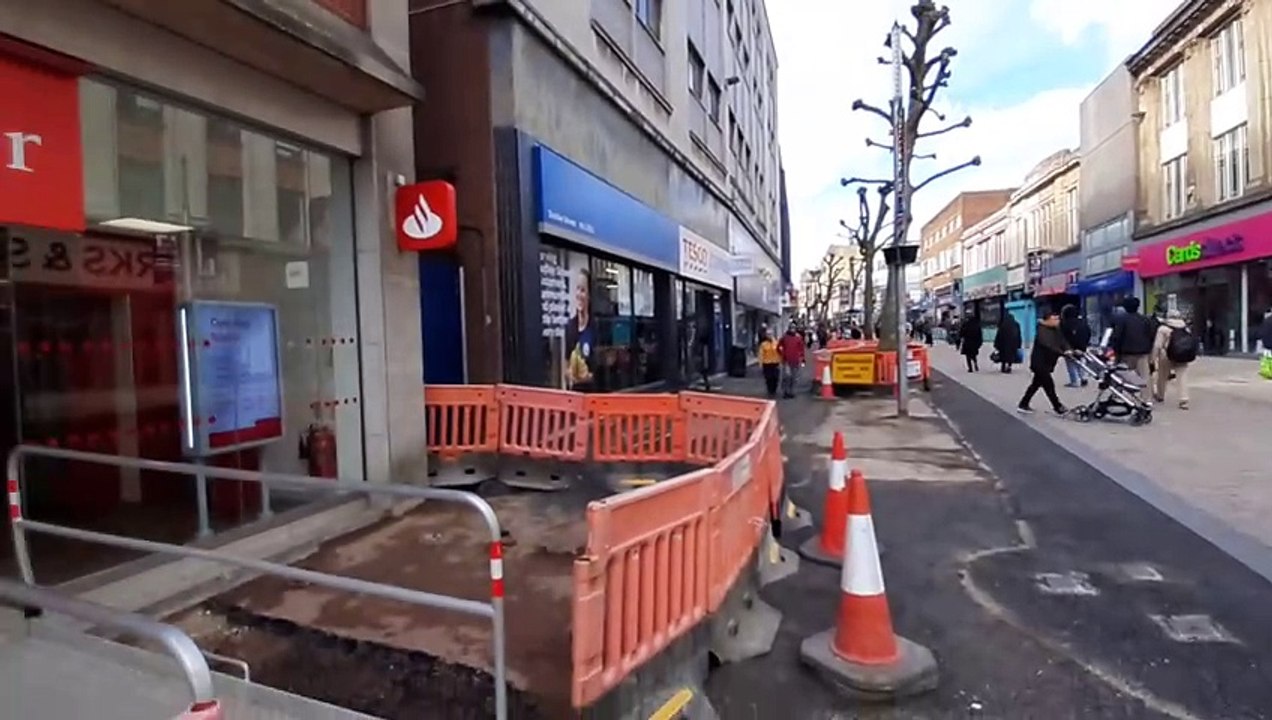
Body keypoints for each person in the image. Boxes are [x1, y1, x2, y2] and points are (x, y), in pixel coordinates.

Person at [1018, 308, 1072, 415]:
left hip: (1047, 363)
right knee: (1049, 385)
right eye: (1054, 319)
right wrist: (1062, 352)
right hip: (1039, 363)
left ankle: (1023, 404)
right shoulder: (1042, 330)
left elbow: (1062, 341)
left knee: (1035, 385)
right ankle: (1057, 406)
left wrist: (1068, 349)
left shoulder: (1056, 329)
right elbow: (1048, 345)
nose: (1057, 321)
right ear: (1047, 320)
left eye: (1058, 318)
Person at [1152, 308, 1197, 409]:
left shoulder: (1163, 328)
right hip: (1182, 355)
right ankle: (1184, 399)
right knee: (1182, 377)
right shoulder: (1186, 328)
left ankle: (1160, 395)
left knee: (1162, 376)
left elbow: (1157, 345)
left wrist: (1153, 358)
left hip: (1166, 355)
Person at [1108, 297, 1155, 385]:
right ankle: (1147, 397)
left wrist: (1115, 350)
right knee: (1144, 377)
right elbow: (1151, 335)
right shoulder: (1145, 319)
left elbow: (1116, 337)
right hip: (1144, 353)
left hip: (1127, 354)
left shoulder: (1121, 320)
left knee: (1125, 377)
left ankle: (1127, 396)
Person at [1060, 304, 1092, 387]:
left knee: (1071, 365)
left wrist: (1068, 348)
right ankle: (1084, 378)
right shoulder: (1083, 323)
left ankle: (1075, 381)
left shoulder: (1065, 324)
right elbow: (1088, 334)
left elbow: (1064, 337)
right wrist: (1083, 347)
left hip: (1071, 348)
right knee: (1082, 363)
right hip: (1082, 348)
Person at [777, 326, 806, 398]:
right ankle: (785, 392)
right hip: (786, 360)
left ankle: (792, 392)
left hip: (795, 360)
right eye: (791, 329)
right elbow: (779, 347)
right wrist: (782, 353)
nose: (792, 330)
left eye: (793, 329)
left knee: (794, 377)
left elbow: (801, 349)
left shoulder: (798, 338)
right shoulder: (784, 338)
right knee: (787, 376)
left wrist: (802, 358)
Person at [758, 332, 782, 397]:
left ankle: (774, 390)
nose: (769, 336)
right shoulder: (763, 344)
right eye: (768, 334)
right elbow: (761, 354)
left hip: (775, 363)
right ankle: (770, 391)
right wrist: (760, 363)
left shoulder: (776, 343)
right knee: (768, 378)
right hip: (767, 363)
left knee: (775, 378)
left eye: (770, 334)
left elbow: (780, 352)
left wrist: (781, 361)